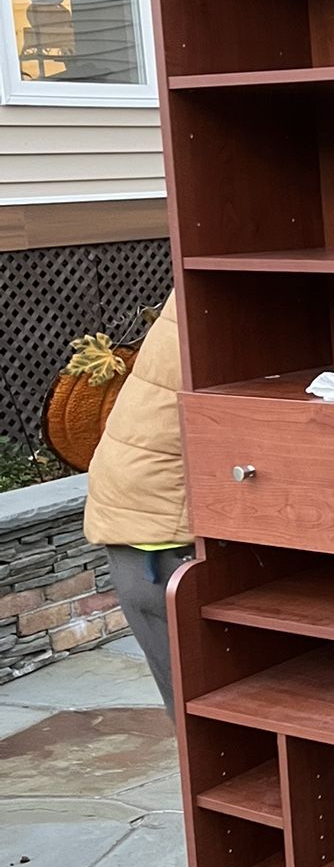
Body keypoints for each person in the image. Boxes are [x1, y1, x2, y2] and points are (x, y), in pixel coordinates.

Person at [83, 290, 191, 717]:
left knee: (191, 711)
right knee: (197, 716)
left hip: (138, 512)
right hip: (156, 531)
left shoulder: (194, 294)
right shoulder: (218, 305)